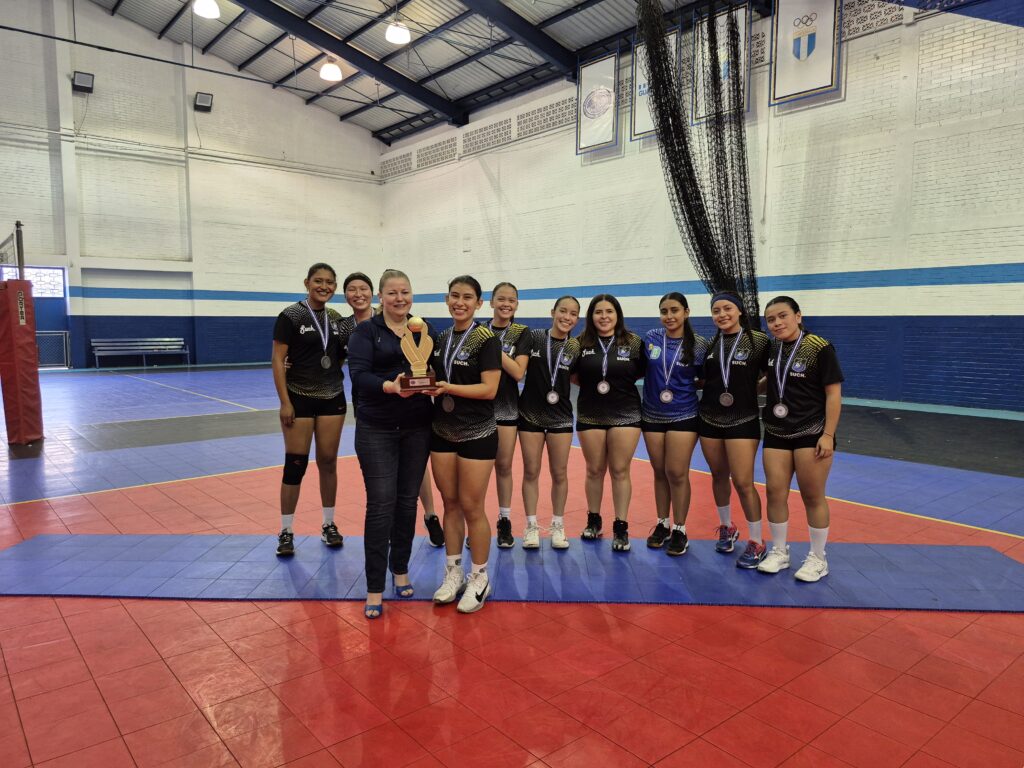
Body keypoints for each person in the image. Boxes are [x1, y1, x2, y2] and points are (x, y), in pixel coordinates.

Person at [347, 269, 434, 618]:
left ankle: (400, 569)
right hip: (376, 429)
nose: (400, 298)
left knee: (407, 503)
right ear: (381, 297)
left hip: (417, 427)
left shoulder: (422, 329)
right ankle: (374, 586)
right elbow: (359, 376)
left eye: (405, 292)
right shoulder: (366, 332)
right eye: (393, 293)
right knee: (381, 505)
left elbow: (432, 369)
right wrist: (390, 387)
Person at [429, 276, 502, 613]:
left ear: (478, 303)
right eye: (455, 296)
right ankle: (454, 572)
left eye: (467, 297)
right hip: (442, 432)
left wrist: (447, 388)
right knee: (450, 504)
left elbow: (489, 389)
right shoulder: (441, 338)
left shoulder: (487, 339)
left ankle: (480, 577)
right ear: (447, 300)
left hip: (477, 433)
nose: (460, 302)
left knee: (473, 506)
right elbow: (431, 376)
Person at [759, 296, 843, 582]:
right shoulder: (772, 347)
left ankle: (818, 558)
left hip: (811, 432)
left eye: (783, 316)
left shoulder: (819, 347)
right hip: (776, 431)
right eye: (771, 319)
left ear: (798, 316)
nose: (777, 323)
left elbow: (833, 394)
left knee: (812, 496)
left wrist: (828, 435)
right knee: (774, 492)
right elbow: (770, 379)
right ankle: (779, 551)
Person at [270, 263, 349, 556]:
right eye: (318, 281)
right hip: (298, 398)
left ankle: (328, 524)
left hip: (332, 397)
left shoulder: (337, 319)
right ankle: (286, 530)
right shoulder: (290, 316)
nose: (324, 286)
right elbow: (278, 360)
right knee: (295, 463)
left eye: (329, 282)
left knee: (328, 461)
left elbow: (338, 356)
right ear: (307, 283)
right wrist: (285, 402)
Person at [698, 292, 772, 568]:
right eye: (716, 311)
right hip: (709, 419)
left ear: (739, 311)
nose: (722, 315)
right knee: (718, 476)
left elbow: (773, 372)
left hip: (743, 420)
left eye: (727, 308)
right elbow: (705, 380)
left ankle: (757, 540)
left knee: (742, 482)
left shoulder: (758, 341)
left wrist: (753, 390)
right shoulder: (710, 344)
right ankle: (726, 527)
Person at [574, 294, 645, 552]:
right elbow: (573, 375)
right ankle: (594, 520)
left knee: (620, 470)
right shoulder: (579, 343)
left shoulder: (634, 342)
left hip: (626, 413)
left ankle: (621, 526)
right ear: (591, 316)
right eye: (598, 312)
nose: (604, 316)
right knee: (594, 470)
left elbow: (641, 371)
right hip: (590, 413)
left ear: (618, 315)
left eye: (609, 311)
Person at [641, 293, 707, 556]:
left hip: (684, 414)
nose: (669, 316)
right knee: (659, 471)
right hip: (651, 414)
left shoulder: (698, 344)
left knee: (677, 473)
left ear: (686, 312)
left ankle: (680, 528)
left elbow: (703, 379)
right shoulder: (651, 338)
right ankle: (662, 524)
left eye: (674, 310)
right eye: (664, 311)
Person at [517, 296, 581, 550]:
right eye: (563, 311)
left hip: (561, 416)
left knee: (560, 473)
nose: (567, 317)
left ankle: (558, 525)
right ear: (553, 312)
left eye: (573, 314)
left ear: (577, 319)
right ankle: (531, 526)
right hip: (530, 414)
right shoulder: (533, 337)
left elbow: (578, 377)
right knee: (531, 471)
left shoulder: (576, 346)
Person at [488, 282, 533, 547]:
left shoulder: (521, 332)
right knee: (478, 471)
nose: (506, 304)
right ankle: (475, 522)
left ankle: (504, 520)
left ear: (516, 304)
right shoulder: (477, 330)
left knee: (504, 467)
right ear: (491, 302)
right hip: (479, 411)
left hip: (506, 409)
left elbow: (518, 372)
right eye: (501, 299)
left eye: (512, 300)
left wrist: (493, 345)